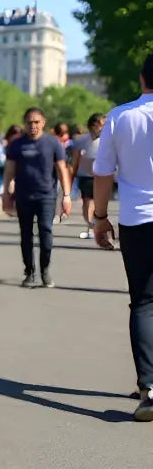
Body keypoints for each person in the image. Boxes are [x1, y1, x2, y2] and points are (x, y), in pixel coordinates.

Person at [92, 52, 153, 421]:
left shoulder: (120, 116)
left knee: (144, 303)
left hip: (137, 219)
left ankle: (149, 388)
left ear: (142, 79)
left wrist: (100, 218)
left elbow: (102, 173)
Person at [2, 107, 72, 288]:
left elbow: (62, 169)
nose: (33, 125)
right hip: (23, 195)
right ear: (24, 124)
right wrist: (6, 194)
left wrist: (66, 195)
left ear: (43, 123)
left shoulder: (53, 143)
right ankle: (30, 271)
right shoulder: (17, 144)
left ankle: (45, 270)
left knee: (45, 232)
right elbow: (9, 171)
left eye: (36, 122)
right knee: (26, 235)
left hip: (46, 196)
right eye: (29, 122)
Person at [69, 112, 105, 239]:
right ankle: (90, 224)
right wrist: (71, 177)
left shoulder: (108, 140)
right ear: (94, 125)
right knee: (88, 202)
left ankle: (95, 225)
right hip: (85, 176)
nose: (103, 127)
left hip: (102, 176)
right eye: (101, 124)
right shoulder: (80, 141)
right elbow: (75, 160)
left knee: (98, 203)